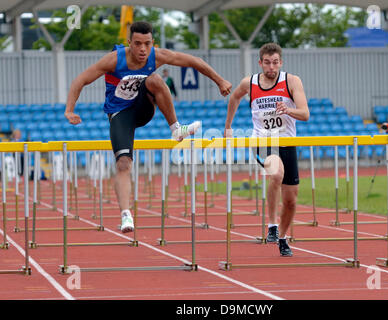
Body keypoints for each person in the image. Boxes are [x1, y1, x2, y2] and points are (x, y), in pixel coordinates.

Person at [65, 21, 232, 233]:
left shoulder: (157, 55)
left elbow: (194, 61)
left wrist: (219, 80)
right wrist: (70, 109)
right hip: (120, 113)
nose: (142, 49)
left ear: (152, 42)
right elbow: (80, 80)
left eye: (147, 44)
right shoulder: (114, 60)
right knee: (124, 163)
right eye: (137, 44)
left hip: (144, 108)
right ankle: (126, 214)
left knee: (155, 79)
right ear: (129, 43)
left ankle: (176, 129)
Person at [224, 43, 309, 256]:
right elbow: (234, 97)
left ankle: (282, 237)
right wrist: (228, 127)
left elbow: (305, 113)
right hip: (263, 142)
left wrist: (288, 110)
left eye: (275, 63)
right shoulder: (250, 83)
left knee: (290, 201)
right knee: (276, 173)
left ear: (281, 62)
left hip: (287, 142)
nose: (271, 67)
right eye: (267, 63)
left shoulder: (291, 81)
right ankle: (272, 224)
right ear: (260, 62)